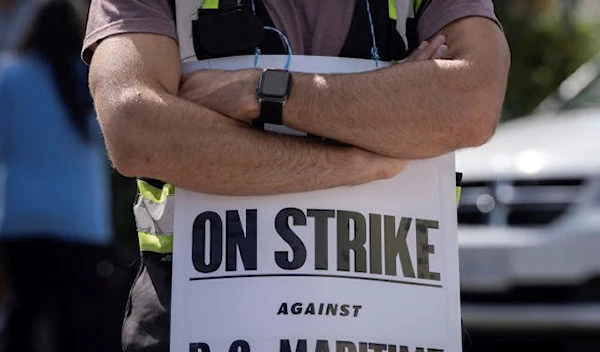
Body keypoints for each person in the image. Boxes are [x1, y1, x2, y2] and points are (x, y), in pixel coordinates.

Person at [83, 0, 510, 351]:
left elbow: (470, 105)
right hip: (199, 318)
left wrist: (258, 91)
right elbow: (137, 129)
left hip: (392, 322)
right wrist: (354, 161)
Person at [0, 1, 112, 351]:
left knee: (24, 314)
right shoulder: (91, 81)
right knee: (76, 322)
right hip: (81, 220)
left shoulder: (9, 76)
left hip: (22, 216)